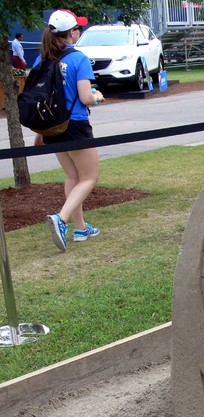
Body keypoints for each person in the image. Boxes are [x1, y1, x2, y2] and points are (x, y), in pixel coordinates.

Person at [39, 9, 105, 252]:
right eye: (78, 28)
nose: (80, 31)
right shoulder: (78, 59)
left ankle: (80, 228)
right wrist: (98, 96)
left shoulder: (42, 59)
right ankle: (62, 218)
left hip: (52, 127)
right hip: (75, 125)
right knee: (89, 177)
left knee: (72, 177)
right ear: (72, 32)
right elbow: (86, 97)